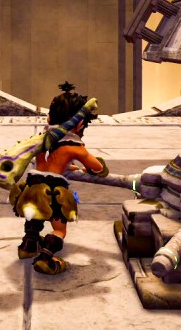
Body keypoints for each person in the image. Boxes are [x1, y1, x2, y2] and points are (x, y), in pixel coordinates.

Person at [9, 82, 109, 275]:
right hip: (53, 191)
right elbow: (97, 168)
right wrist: (96, 167)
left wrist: (66, 166)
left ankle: (28, 246)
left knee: (34, 218)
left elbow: (49, 160)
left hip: (32, 186)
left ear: (49, 117)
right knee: (59, 229)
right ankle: (46, 258)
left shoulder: (42, 138)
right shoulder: (74, 146)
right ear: (79, 124)